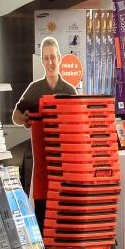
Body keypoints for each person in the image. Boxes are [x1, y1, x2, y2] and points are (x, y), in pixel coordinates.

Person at [11, 36, 77, 227]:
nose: (50, 62)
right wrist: (25, 119)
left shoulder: (70, 91)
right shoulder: (35, 90)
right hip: (41, 166)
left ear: (59, 58)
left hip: (65, 166)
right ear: (42, 61)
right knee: (42, 216)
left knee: (63, 219)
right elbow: (16, 115)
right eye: (46, 58)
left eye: (53, 57)